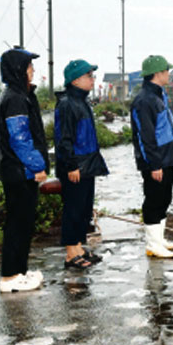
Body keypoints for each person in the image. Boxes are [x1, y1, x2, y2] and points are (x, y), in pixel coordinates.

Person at [0, 47, 50, 292]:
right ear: (18, 69)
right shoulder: (15, 98)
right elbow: (20, 138)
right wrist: (37, 165)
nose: (33, 70)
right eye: (29, 66)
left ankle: (19, 272)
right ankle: (10, 277)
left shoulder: (16, 94)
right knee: (19, 222)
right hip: (19, 171)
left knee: (23, 222)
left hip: (16, 170)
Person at [54, 59, 109, 270]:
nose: (93, 80)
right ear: (76, 80)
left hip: (88, 165)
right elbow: (64, 139)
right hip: (76, 167)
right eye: (89, 76)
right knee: (73, 210)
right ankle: (70, 254)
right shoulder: (68, 103)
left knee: (84, 210)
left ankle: (78, 247)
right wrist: (71, 165)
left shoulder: (82, 101)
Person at [130, 55, 173, 258]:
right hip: (156, 160)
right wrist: (153, 165)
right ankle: (152, 244)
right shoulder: (144, 100)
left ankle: (159, 239)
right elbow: (146, 136)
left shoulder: (158, 95)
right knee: (154, 199)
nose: (168, 74)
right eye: (166, 71)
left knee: (164, 198)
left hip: (166, 157)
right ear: (158, 73)